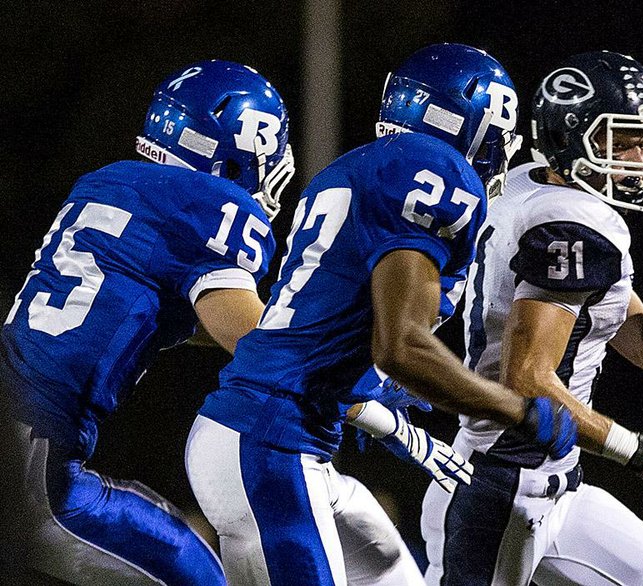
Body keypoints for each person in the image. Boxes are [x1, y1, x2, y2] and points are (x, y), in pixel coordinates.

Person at [185, 43, 579, 586]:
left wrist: (374, 401)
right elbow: (402, 346)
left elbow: (321, 330)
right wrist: (519, 411)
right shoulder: (435, 170)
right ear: (475, 123)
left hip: (281, 437)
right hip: (271, 440)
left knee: (392, 573)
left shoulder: (354, 168)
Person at [420, 50, 643, 586]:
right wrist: (638, 451)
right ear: (569, 135)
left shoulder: (530, 185)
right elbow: (529, 382)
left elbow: (637, 341)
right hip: (501, 482)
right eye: (624, 140)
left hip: (553, 483)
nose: (640, 157)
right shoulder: (573, 223)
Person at [0, 60, 295, 585]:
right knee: (193, 570)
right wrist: (355, 382)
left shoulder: (105, 183)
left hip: (17, 423)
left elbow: (166, 306)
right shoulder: (213, 204)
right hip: (30, 460)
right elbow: (250, 338)